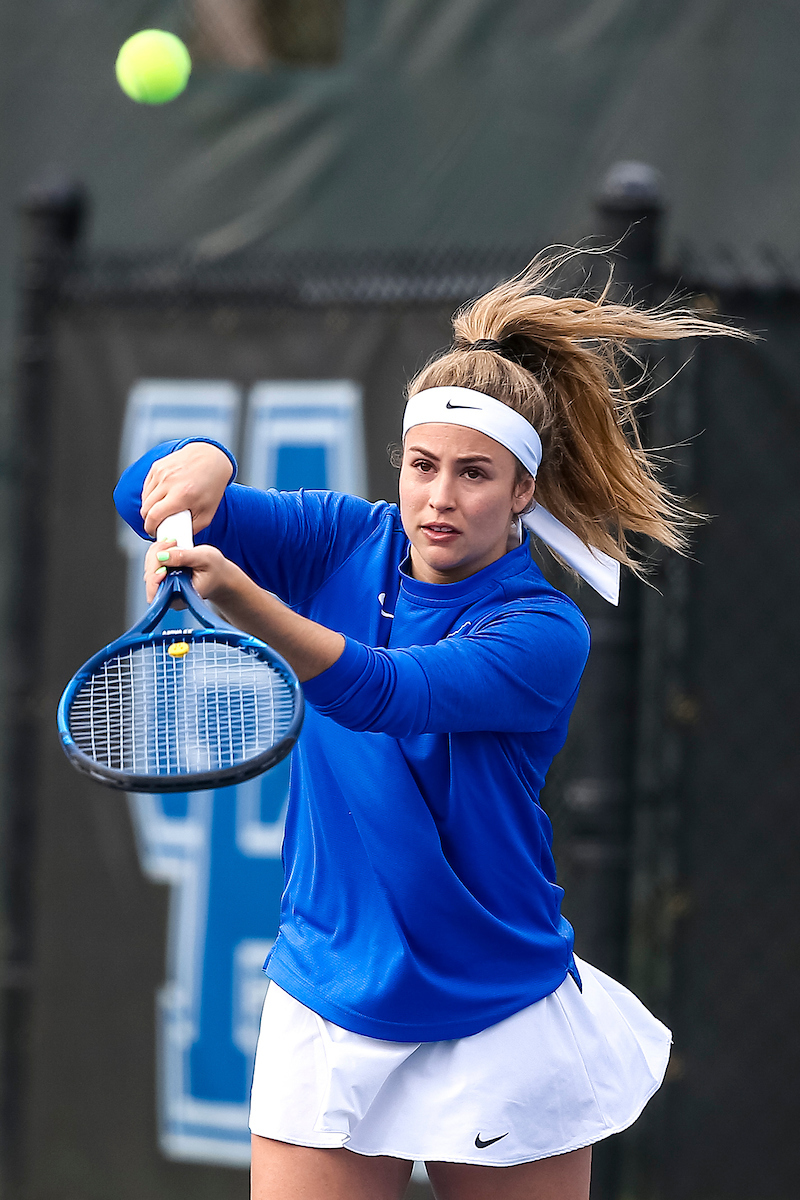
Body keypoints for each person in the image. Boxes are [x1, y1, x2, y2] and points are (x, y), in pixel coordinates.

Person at [115, 256, 739, 1200]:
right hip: (330, 988)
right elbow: (143, 501)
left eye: (474, 475)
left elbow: (383, 693)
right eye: (422, 466)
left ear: (524, 492)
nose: (439, 498)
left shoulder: (540, 631)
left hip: (495, 1008)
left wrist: (247, 603)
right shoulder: (340, 538)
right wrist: (208, 461)